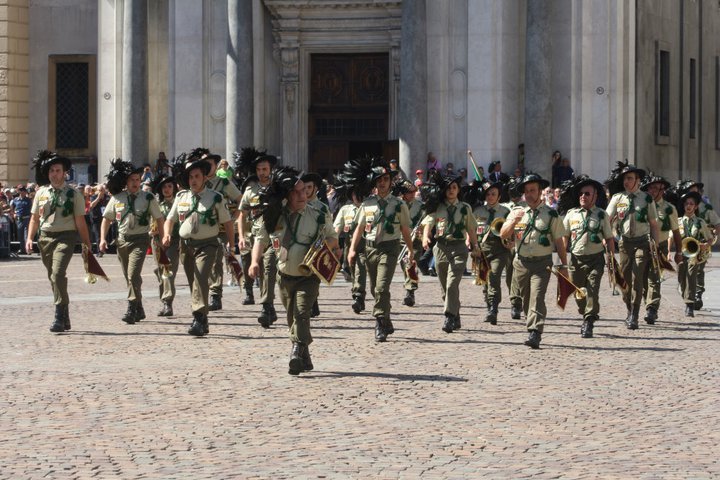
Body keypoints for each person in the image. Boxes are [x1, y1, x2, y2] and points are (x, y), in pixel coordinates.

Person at [249, 166, 340, 375]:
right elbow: (260, 240)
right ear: (287, 195)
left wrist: (323, 248)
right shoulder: (275, 217)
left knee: (301, 313)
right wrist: (254, 262)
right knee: (292, 317)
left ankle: (296, 351)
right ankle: (305, 354)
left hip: (308, 277)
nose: (303, 194)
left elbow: (333, 237)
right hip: (284, 277)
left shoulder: (317, 215)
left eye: (304, 191)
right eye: (297, 192)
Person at [163, 155, 234, 336]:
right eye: (191, 177)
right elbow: (170, 219)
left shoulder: (216, 198)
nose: (193, 180)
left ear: (204, 177)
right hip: (186, 246)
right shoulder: (181, 197)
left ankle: (198, 317)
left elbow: (227, 223)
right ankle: (203, 318)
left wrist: (232, 245)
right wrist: (166, 235)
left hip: (208, 245)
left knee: (201, 278)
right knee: (193, 282)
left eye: (197, 176)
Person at [347, 158, 414, 342]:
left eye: (386, 179)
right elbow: (360, 228)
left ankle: (379, 322)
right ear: (375, 183)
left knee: (382, 286)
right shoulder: (367, 204)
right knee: (375, 289)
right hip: (370, 249)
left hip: (390, 248)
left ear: (391, 182)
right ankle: (386, 318)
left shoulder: (399, 205)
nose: (383, 183)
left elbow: (405, 229)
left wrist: (410, 250)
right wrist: (352, 250)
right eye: (379, 180)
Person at [25, 150, 92, 332]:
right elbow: (34, 219)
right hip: (45, 238)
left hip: (65, 237)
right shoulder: (41, 193)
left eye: (58, 170)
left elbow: (80, 221)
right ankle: (65, 313)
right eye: (51, 171)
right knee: (53, 277)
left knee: (58, 273)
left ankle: (59, 316)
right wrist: (30, 238)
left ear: (65, 173)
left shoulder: (74, 195)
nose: (54, 174)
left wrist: (87, 243)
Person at [500, 173, 568, 348]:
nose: (529, 194)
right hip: (521, 263)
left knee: (537, 296)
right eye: (527, 191)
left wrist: (564, 264)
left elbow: (559, 241)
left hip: (542, 263)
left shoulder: (551, 215)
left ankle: (535, 332)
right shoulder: (516, 212)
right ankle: (531, 322)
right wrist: (513, 222)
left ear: (540, 192)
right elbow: (503, 234)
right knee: (526, 297)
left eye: (533, 190)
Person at [100, 159, 165, 325]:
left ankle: (131, 307)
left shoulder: (148, 198)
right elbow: (106, 220)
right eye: (132, 180)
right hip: (122, 242)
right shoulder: (117, 198)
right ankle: (139, 307)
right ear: (126, 182)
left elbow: (159, 218)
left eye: (138, 180)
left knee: (133, 274)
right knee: (130, 278)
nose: (135, 183)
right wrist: (102, 239)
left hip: (140, 240)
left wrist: (163, 237)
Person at [605, 161, 660, 329]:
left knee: (637, 277)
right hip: (624, 244)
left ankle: (635, 314)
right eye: (624, 179)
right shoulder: (617, 198)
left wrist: (655, 247)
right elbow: (606, 219)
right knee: (625, 280)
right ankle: (629, 308)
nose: (626, 182)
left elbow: (654, 223)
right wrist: (607, 237)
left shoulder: (646, 199)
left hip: (642, 242)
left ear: (638, 180)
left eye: (629, 178)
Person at [422, 174, 479, 332]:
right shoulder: (437, 206)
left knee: (452, 283)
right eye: (448, 188)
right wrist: (426, 237)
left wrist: (475, 245)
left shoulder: (465, 208)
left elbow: (471, 228)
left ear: (458, 189)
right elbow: (428, 222)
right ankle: (456, 313)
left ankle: (448, 316)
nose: (451, 190)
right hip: (441, 248)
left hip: (459, 247)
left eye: (454, 187)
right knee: (444, 286)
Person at [560, 176, 614, 338]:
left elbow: (609, 238)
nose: (583, 196)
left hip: (595, 259)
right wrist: (562, 261)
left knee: (592, 289)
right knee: (578, 291)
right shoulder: (571, 214)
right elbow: (565, 238)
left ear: (595, 196)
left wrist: (611, 259)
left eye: (587, 194)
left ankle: (589, 321)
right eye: (581, 194)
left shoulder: (602, 215)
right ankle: (586, 312)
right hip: (576, 260)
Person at [198, 147, 243, 312]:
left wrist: (234, 217)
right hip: (201, 228)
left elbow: (241, 199)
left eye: (208, 164)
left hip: (220, 229)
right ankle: (205, 291)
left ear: (216, 166)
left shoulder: (223, 183)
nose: (205, 167)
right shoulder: (197, 181)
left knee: (216, 259)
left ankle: (215, 294)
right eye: (203, 163)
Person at [238, 154, 279, 327]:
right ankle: (269, 306)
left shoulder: (279, 188)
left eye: (265, 169)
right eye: (259, 169)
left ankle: (266, 306)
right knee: (260, 271)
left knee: (269, 269)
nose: (262, 172)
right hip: (256, 237)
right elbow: (242, 216)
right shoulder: (250, 191)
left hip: (275, 236)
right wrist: (241, 237)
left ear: (271, 170)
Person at [641, 174, 682, 324]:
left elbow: (676, 231)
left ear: (662, 190)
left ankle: (652, 309)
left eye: (656, 188)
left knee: (654, 275)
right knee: (642, 278)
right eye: (650, 188)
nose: (652, 191)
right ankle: (648, 302)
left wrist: (678, 252)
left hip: (660, 246)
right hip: (642, 244)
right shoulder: (642, 205)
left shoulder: (669, 209)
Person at [471, 180, 511, 325]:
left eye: (493, 194)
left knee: (494, 276)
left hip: (500, 249)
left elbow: (511, 230)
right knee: (485, 280)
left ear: (499, 196)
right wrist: (471, 244)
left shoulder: (505, 212)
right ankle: (489, 305)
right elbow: (471, 229)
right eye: (488, 194)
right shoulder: (477, 211)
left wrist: (511, 242)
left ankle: (493, 309)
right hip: (482, 250)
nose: (490, 196)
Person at [677, 180, 720, 310]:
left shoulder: (706, 208)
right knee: (684, 274)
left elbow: (717, 225)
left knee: (699, 271)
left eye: (695, 191)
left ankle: (697, 294)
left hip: (701, 245)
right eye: (690, 191)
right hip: (686, 246)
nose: (693, 193)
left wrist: (710, 241)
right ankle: (689, 295)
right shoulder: (682, 210)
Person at [301, 172, 332, 318]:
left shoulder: (322, 207)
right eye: (304, 187)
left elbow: (328, 229)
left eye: (309, 187)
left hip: (316, 245)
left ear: (316, 189)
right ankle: (309, 302)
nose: (306, 190)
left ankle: (313, 300)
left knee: (313, 276)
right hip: (300, 244)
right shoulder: (297, 205)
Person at [333, 188, 367, 314]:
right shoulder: (345, 209)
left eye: (360, 194)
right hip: (349, 243)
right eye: (354, 194)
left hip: (365, 244)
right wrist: (333, 244)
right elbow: (337, 228)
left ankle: (358, 296)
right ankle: (357, 292)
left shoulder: (369, 208)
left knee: (360, 267)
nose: (357, 197)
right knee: (351, 269)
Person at [151, 174, 180, 316]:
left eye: (169, 186)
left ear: (174, 188)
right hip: (157, 242)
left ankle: (168, 303)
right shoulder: (156, 204)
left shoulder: (179, 203)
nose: (167, 189)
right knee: (161, 271)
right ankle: (164, 303)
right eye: (164, 187)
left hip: (173, 241)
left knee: (168, 271)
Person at [395, 179, 424, 307]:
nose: (412, 194)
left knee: (411, 263)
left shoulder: (420, 205)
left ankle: (410, 291)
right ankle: (410, 287)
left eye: (413, 192)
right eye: (409, 192)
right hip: (401, 239)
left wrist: (421, 229)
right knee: (404, 264)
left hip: (415, 240)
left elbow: (425, 220)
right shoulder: (397, 204)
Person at [10, 185, 32, 252]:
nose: (22, 192)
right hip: (19, 219)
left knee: (26, 235)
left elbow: (31, 210)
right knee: (20, 235)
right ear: (18, 191)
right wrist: (13, 214)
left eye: (23, 190)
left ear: (25, 192)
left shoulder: (28, 200)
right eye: (20, 190)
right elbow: (12, 209)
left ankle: (27, 249)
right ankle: (22, 249)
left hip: (27, 219)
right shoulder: (15, 200)